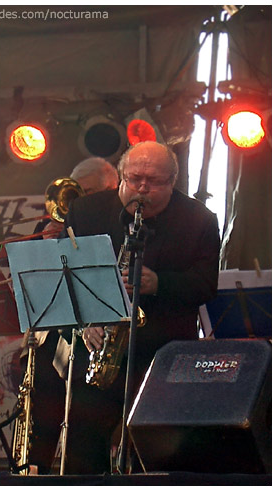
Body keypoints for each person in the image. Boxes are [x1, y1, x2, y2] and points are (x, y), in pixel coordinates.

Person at [59, 140, 220, 474]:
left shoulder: (199, 220)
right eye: (134, 179)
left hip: (164, 353)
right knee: (83, 451)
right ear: (121, 175)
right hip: (97, 349)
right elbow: (63, 280)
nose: (142, 189)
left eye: (155, 182)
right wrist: (84, 322)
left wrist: (158, 283)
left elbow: (206, 285)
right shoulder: (85, 212)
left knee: (166, 455)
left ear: (173, 182)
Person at [19, 156, 119, 474]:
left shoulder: (116, 223)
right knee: (41, 417)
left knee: (84, 433)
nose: (77, 201)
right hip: (53, 340)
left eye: (86, 192)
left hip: (92, 345)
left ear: (112, 189)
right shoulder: (54, 227)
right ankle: (33, 470)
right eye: (74, 192)